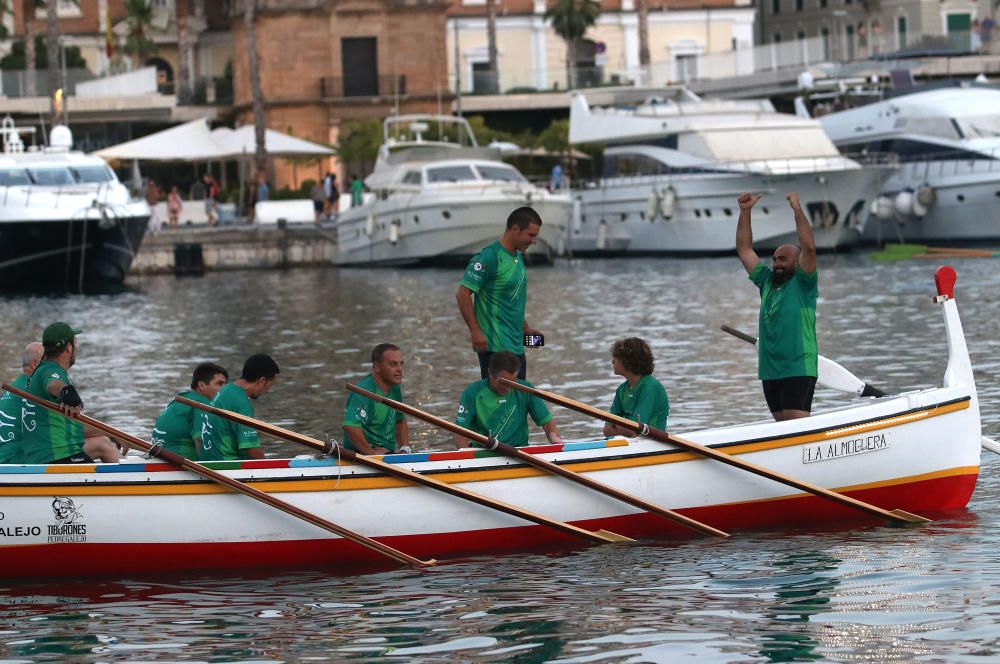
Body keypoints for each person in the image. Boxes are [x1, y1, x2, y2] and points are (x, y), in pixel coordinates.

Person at [736, 191, 818, 421]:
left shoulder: (804, 284)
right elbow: (744, 250)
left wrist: (796, 209)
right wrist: (745, 212)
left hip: (798, 366)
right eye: (774, 259)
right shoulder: (766, 282)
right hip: (770, 370)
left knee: (795, 429)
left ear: (797, 262)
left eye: (783, 259)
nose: (776, 263)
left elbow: (809, 246)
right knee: (782, 428)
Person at [456, 206, 545, 380]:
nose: (533, 241)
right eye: (531, 235)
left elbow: (509, 300)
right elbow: (462, 293)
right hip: (494, 347)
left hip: (516, 345)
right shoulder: (488, 257)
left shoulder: (517, 257)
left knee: (518, 402)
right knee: (499, 402)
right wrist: (475, 331)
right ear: (515, 229)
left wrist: (526, 329)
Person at [20, 323, 124, 463]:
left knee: (104, 442)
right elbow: (54, 384)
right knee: (104, 443)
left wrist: (109, 433)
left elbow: (75, 427)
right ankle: (138, 482)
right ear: (69, 348)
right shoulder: (52, 371)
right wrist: (65, 391)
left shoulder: (40, 371)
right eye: (75, 342)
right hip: (55, 457)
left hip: (43, 453)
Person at [453, 351, 561, 449]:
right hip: (483, 453)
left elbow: (547, 424)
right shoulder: (472, 392)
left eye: (513, 382)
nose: (509, 387)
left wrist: (558, 445)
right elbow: (460, 434)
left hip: (520, 452)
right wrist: (467, 458)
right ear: (490, 373)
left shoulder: (526, 389)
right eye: (504, 382)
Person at [199, 354, 280, 461]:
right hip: (227, 465)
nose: (268, 391)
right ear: (261, 381)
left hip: (209, 460)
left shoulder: (225, 390)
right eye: (270, 386)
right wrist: (270, 468)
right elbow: (252, 451)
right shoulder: (241, 403)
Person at [342, 344, 410, 455]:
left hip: (387, 455)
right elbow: (350, 426)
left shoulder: (394, 388)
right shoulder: (364, 391)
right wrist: (372, 455)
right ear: (377, 367)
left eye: (401, 364)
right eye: (393, 364)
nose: (399, 369)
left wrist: (405, 449)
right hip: (360, 456)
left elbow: (400, 419)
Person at [150, 363, 228, 460]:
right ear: (202, 385)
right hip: (178, 464)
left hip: (158, 457)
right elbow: (200, 441)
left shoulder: (181, 399)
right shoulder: (202, 404)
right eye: (219, 384)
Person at [602, 338, 669, 437]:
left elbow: (634, 431)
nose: (612, 361)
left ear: (628, 361)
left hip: (653, 443)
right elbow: (606, 430)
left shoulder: (650, 387)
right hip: (629, 443)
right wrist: (622, 428)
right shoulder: (622, 390)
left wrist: (616, 427)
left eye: (616, 358)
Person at [0, 342, 44, 463]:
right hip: (17, 461)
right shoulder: (35, 390)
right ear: (35, 364)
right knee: (99, 443)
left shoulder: (16, 385)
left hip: (4, 459)